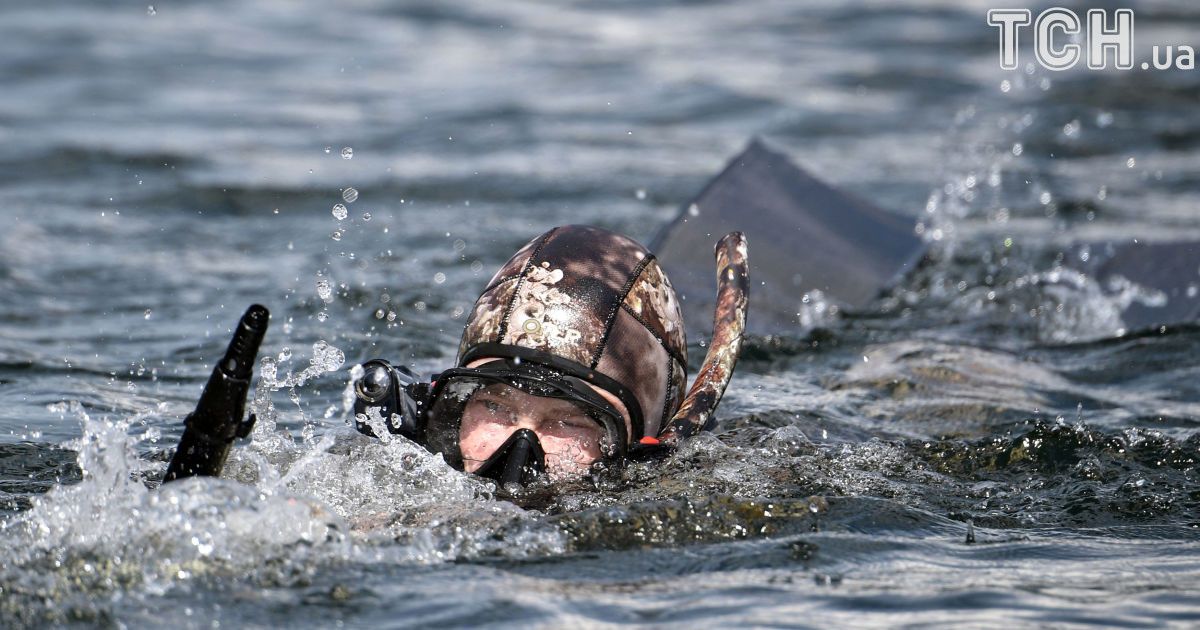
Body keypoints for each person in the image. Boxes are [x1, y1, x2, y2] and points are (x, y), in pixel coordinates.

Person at [164, 225, 748, 488]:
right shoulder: (371, 486)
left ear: (640, 445)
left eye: (570, 420)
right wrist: (202, 465)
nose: (520, 451)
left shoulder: (708, 499)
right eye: (493, 404)